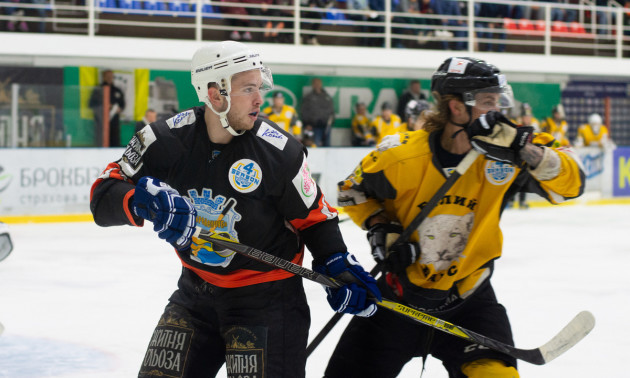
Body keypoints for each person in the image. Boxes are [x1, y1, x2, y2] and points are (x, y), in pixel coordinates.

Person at [89, 41, 380, 378]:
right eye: (248, 89)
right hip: (195, 294)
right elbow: (102, 195)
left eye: (259, 87)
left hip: (269, 303)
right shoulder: (164, 141)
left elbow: (315, 217)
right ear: (215, 94)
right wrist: (143, 201)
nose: (260, 99)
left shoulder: (280, 152)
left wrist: (335, 261)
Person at [331, 57, 585, 377]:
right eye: (487, 102)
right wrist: (382, 228)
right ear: (455, 107)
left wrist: (526, 152)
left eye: (498, 101)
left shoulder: (512, 151)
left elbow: (573, 184)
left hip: (470, 301)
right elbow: (351, 192)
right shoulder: (401, 155)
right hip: (398, 297)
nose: (498, 112)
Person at [89, 69, 126, 147]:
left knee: (115, 143)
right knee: (101, 142)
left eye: (111, 76)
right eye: (107, 76)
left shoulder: (117, 91)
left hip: (114, 123)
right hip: (101, 122)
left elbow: (122, 105)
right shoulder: (98, 90)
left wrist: (117, 108)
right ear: (103, 77)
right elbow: (91, 104)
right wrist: (104, 106)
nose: (110, 78)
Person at [300, 77, 335, 146]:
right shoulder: (308, 97)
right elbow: (304, 111)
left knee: (327, 146)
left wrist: (332, 121)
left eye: (318, 83)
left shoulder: (327, 96)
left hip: (326, 126)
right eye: (315, 83)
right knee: (315, 145)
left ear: (321, 84)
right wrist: (307, 123)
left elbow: (332, 111)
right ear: (312, 85)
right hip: (314, 126)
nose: (317, 85)